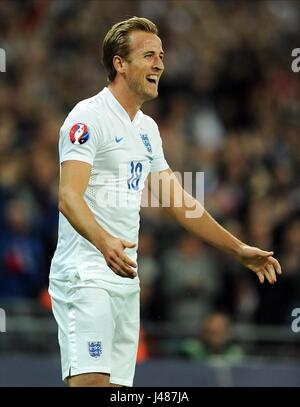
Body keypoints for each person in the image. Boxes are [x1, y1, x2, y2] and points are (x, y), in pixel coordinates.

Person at [48, 16, 282, 387]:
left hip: (126, 279)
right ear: (119, 64)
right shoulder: (87, 117)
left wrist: (236, 248)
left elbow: (180, 202)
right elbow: (68, 196)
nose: (160, 63)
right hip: (85, 274)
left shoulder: (146, 129)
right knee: (91, 384)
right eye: (148, 55)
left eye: (161, 55)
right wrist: (104, 241)